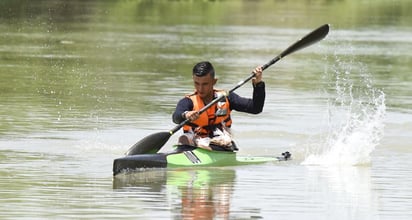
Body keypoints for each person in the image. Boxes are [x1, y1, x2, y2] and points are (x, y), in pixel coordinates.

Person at [172, 61, 265, 151]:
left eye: (205, 84)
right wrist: (186, 115)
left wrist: (258, 84)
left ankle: (209, 149)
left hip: (220, 141)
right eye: (197, 83)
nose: (200, 88)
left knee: (224, 140)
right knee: (184, 138)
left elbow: (256, 108)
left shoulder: (227, 98)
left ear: (214, 81)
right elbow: (176, 117)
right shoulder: (188, 101)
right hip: (194, 140)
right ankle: (188, 151)